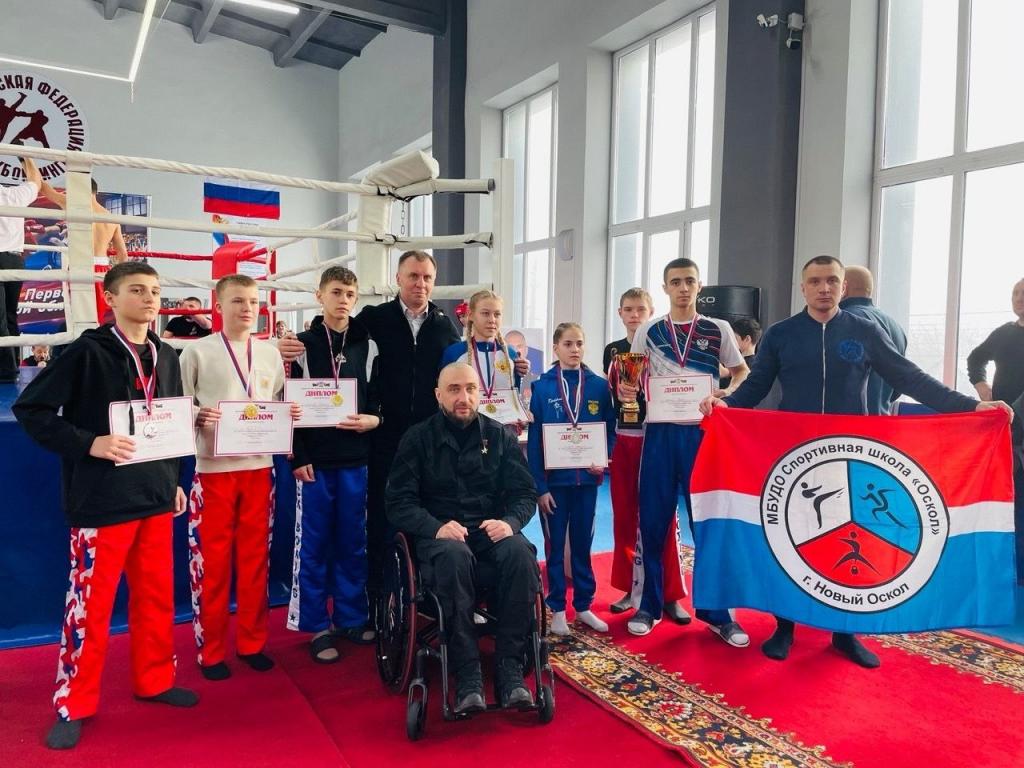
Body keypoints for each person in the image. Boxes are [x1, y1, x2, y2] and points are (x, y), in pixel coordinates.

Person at [701, 255, 1013, 668]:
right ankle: (785, 625)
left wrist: (971, 406)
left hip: (851, 455)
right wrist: (726, 406)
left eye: (832, 280)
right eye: (815, 281)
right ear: (802, 288)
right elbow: (755, 386)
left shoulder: (865, 331)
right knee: (789, 536)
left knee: (850, 539)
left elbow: (909, 377)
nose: (824, 288)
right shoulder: (781, 334)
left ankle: (845, 632)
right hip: (794, 456)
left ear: (844, 287)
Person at [13, 262, 198, 750]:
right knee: (90, 608)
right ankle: (73, 702)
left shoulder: (166, 353)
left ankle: (154, 680)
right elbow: (30, 409)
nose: (150, 298)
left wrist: (174, 481)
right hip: (101, 500)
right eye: (137, 290)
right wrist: (89, 443)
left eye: (155, 290)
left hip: (155, 496)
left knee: (156, 597)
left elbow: (169, 420)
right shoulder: (86, 351)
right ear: (110, 298)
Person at [277, 251, 461, 610]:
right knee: (378, 521)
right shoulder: (373, 320)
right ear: (398, 278)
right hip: (380, 442)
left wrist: (509, 366)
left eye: (426, 277)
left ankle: (422, 597)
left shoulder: (444, 326)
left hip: (427, 441)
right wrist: (284, 344)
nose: (420, 283)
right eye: (413, 276)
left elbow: (465, 369)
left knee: (426, 514)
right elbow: (333, 335)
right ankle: (378, 600)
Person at [386, 362, 540, 713]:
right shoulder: (417, 439)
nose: (463, 397)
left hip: (490, 532)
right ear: (438, 395)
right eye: (454, 389)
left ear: (479, 393)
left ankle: (510, 668)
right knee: (454, 556)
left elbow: (524, 494)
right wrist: (435, 527)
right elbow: (398, 503)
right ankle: (467, 673)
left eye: (470, 389)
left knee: (520, 553)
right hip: (441, 537)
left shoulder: (499, 436)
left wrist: (510, 523)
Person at [624, 258, 751, 643]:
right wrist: (630, 388)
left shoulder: (717, 328)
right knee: (653, 521)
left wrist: (726, 393)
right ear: (665, 287)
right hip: (660, 435)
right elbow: (631, 379)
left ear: (699, 286)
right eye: (676, 282)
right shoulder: (648, 330)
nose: (683, 288)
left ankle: (718, 612)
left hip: (701, 435)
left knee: (707, 522)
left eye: (689, 281)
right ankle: (649, 606)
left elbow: (741, 371)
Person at [179, 274, 299, 680]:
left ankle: (252, 642)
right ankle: (211, 651)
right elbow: (176, 405)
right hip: (213, 471)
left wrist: (289, 414)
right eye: (237, 301)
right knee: (211, 564)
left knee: (255, 561)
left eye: (252, 301)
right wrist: (198, 415)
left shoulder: (269, 354)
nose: (247, 308)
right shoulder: (196, 352)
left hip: (259, 470)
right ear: (218, 306)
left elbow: (275, 400)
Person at [288, 267, 380, 662]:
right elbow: (287, 405)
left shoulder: (368, 345)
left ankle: (350, 617)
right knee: (313, 545)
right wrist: (299, 455)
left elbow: (377, 398)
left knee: (352, 542)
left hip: (356, 459)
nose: (343, 300)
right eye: (336, 292)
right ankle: (315, 625)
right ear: (320, 295)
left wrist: (375, 419)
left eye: (350, 294)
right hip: (316, 463)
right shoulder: (301, 345)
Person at [603, 288, 689, 622]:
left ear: (651, 311)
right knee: (625, 515)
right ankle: (630, 588)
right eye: (629, 309)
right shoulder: (613, 351)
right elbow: (609, 397)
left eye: (641, 309)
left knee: (664, 517)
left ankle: (670, 593)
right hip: (624, 438)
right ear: (620, 313)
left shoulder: (663, 345)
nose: (635, 315)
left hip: (658, 437)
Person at [528, 322, 616, 636]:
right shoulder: (542, 388)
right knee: (555, 548)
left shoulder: (599, 387)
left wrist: (603, 460)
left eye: (579, 343)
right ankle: (556, 609)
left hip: (586, 483)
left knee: (582, 545)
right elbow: (535, 441)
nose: (575, 349)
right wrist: (540, 487)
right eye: (568, 344)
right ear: (556, 348)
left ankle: (583, 605)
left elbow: (610, 429)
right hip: (554, 485)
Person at [967, 277, 1024, 581]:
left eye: (1023, 293)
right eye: (1015, 293)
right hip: (1003, 429)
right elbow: (976, 358)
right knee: (1005, 499)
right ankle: (1005, 566)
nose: (1019, 298)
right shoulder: (1004, 333)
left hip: (1014, 426)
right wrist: (981, 386)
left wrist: (1014, 414)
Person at [39, 178, 128, 325]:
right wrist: (119, 280)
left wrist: (28, 166)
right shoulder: (111, 218)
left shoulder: (74, 207)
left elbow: (45, 189)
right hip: (102, 270)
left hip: (79, 267)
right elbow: (123, 254)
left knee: (77, 318)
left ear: (78, 191)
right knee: (97, 318)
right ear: (95, 191)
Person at [440, 290, 529, 428]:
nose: (492, 320)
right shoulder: (454, 353)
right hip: (466, 428)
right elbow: (444, 396)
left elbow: (514, 396)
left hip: (503, 430)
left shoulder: (510, 354)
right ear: (471, 315)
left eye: (497, 314)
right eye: (485, 313)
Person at [839, 265, 907, 415]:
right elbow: (899, 384)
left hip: (846, 423)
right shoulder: (896, 328)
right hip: (881, 422)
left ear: (844, 288)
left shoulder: (843, 321)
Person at [0, 157, 42, 382]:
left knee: (1, 317)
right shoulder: (15, 194)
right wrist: (26, 159)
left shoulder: (14, 194)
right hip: (14, 261)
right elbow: (36, 180)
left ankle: (6, 370)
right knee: (9, 315)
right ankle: (13, 365)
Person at [718, 317, 761, 390]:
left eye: (734, 338)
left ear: (747, 339)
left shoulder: (751, 365)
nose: (731, 341)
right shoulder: (755, 362)